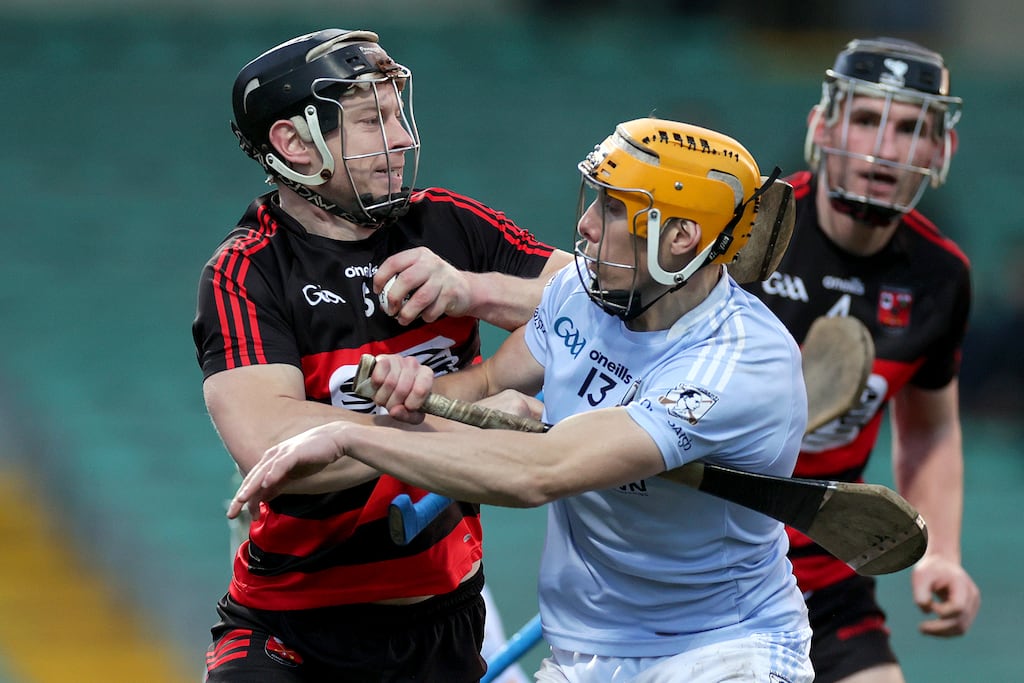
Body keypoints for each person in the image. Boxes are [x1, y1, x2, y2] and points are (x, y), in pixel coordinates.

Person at [229, 117, 816, 683]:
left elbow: (542, 471)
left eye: (613, 207)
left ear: (680, 236)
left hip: (721, 648)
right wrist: (411, 397)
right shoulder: (581, 294)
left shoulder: (738, 361)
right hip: (584, 646)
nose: (585, 225)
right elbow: (486, 388)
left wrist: (352, 432)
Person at [193, 28, 570, 682]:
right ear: (292, 143)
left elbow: (608, 301)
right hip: (292, 627)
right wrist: (463, 416)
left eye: (397, 113)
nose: (399, 137)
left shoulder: (449, 225)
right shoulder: (246, 272)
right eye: (372, 120)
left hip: (445, 614)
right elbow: (274, 447)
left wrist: (475, 293)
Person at [743, 37, 981, 683]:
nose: (885, 145)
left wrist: (944, 554)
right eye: (867, 118)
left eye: (910, 128)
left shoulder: (940, 278)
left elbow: (930, 426)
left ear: (939, 152)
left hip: (823, 574)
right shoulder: (749, 228)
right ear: (825, 126)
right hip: (707, 554)